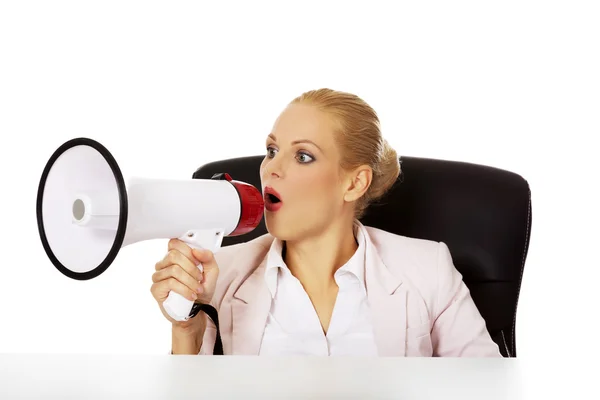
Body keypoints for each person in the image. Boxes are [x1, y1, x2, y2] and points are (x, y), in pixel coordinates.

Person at [150, 88, 502, 357]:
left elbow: (489, 389)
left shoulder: (429, 269)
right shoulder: (220, 275)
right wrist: (186, 325)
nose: (271, 168)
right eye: (272, 150)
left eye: (303, 156)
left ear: (354, 183)